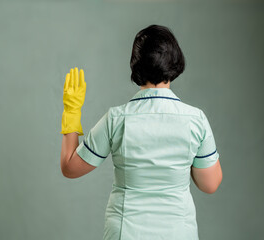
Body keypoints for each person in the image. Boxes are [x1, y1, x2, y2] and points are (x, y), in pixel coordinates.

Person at [60, 24, 223, 240]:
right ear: (175, 61)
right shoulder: (196, 120)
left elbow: (70, 167)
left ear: (136, 65)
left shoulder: (116, 119)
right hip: (178, 233)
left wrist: (72, 111)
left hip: (125, 232)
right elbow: (209, 184)